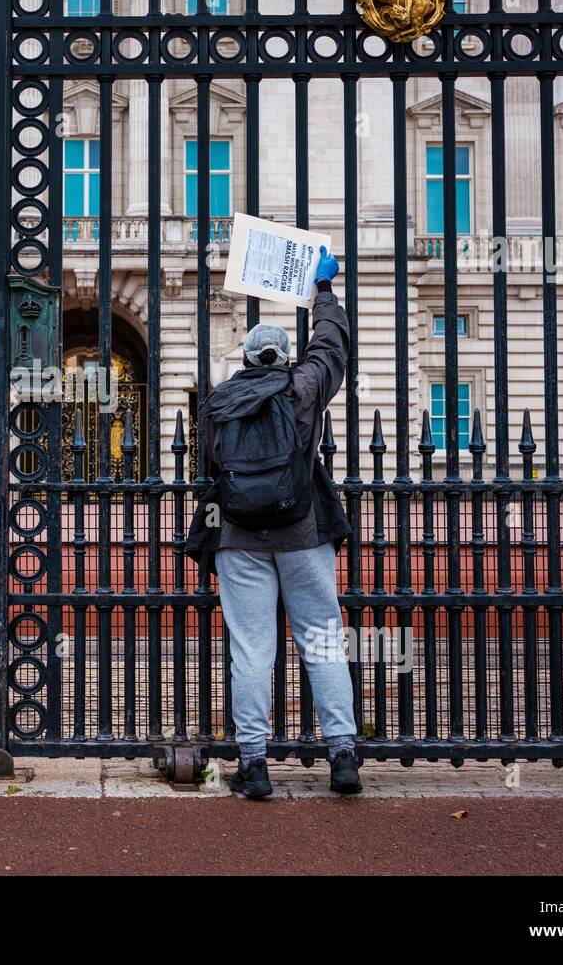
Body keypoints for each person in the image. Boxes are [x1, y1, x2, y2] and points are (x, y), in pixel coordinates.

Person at [187, 249, 360, 798]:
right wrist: (324, 292)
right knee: (324, 640)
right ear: (284, 355)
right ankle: (342, 755)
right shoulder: (302, 387)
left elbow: (212, 466)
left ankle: (255, 763)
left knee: (252, 649)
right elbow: (331, 347)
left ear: (245, 355)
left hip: (239, 538)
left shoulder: (219, 401)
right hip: (303, 532)